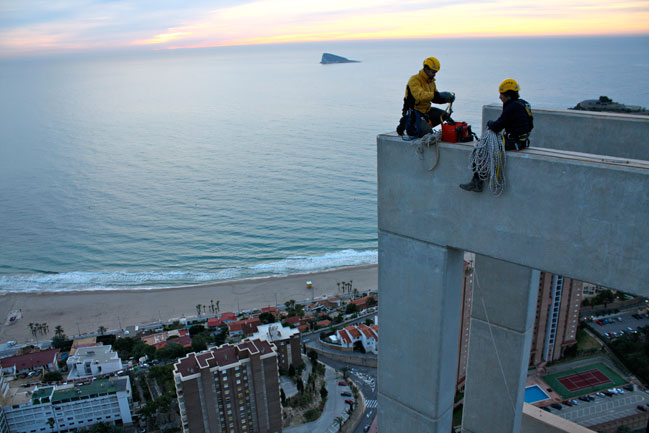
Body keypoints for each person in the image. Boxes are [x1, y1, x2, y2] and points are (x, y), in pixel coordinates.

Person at [459, 78, 534, 192]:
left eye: (502, 95)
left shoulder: (511, 107)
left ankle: (477, 181)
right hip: (523, 141)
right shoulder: (524, 104)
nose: (500, 97)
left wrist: (489, 123)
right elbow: (531, 126)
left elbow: (497, 126)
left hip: (514, 142)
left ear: (508, 96)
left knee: (480, 148)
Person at [397, 57, 455, 138]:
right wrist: (438, 95)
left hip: (426, 111)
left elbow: (434, 98)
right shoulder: (414, 80)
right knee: (427, 134)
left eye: (436, 72)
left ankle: (424, 124)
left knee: (445, 116)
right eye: (433, 72)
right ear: (426, 69)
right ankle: (408, 124)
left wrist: (446, 99)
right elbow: (420, 95)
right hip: (414, 112)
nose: (434, 74)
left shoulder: (431, 82)